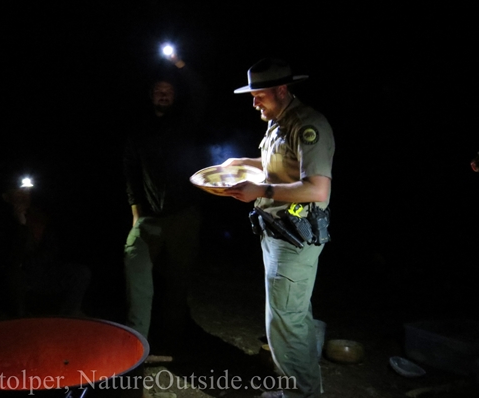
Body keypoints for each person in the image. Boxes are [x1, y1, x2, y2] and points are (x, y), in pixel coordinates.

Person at [223, 58, 335, 398]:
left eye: (259, 95)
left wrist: (261, 191)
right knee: (290, 318)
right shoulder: (278, 122)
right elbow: (278, 164)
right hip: (275, 232)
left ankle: (302, 393)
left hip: (294, 237)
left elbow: (317, 188)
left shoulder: (308, 125)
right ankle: (297, 390)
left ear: (281, 90)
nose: (254, 102)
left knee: (286, 325)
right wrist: (243, 162)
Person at [122, 51, 208, 352]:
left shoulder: (185, 122)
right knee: (136, 271)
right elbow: (131, 173)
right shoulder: (138, 128)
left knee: (177, 283)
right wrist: (135, 213)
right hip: (148, 218)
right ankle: (136, 345)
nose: (163, 95)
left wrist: (180, 63)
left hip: (183, 216)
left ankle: (174, 342)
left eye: (168, 92)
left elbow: (198, 92)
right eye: (159, 91)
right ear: (151, 95)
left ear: (174, 96)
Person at [0, 173, 92, 319]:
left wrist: (39, 259)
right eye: (19, 191)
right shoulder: (0, 221)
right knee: (15, 275)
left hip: (39, 271)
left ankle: (68, 316)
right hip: (13, 277)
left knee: (80, 272)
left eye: (27, 191)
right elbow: (9, 257)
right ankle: (18, 319)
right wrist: (20, 225)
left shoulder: (38, 216)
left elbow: (52, 249)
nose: (24, 195)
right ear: (6, 197)